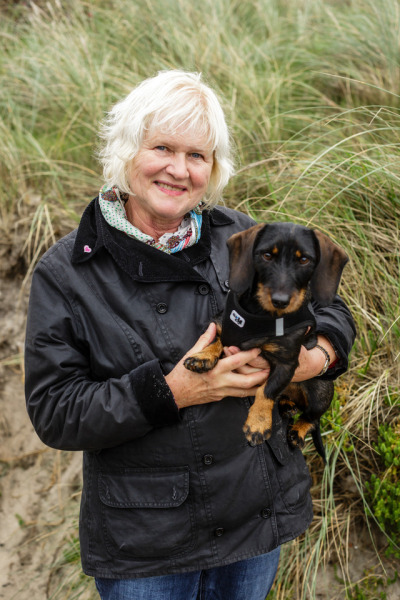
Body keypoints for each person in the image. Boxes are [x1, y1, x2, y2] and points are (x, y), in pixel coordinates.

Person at [25, 70, 356, 600]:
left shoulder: (239, 235)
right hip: (145, 545)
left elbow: (329, 305)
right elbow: (56, 412)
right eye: (162, 147)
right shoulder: (67, 273)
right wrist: (174, 391)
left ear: (213, 168)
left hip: (254, 519)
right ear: (127, 150)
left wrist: (315, 357)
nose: (178, 170)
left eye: (197, 155)